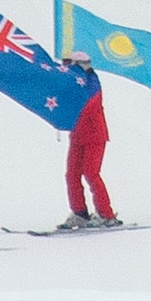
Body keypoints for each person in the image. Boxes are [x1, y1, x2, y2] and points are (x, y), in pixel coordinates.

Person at [58, 50, 119, 229]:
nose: (65, 68)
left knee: (91, 173)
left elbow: (85, 103)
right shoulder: (73, 83)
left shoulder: (91, 82)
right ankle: (80, 213)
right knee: (72, 174)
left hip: (94, 135)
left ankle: (106, 214)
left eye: (68, 64)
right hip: (77, 135)